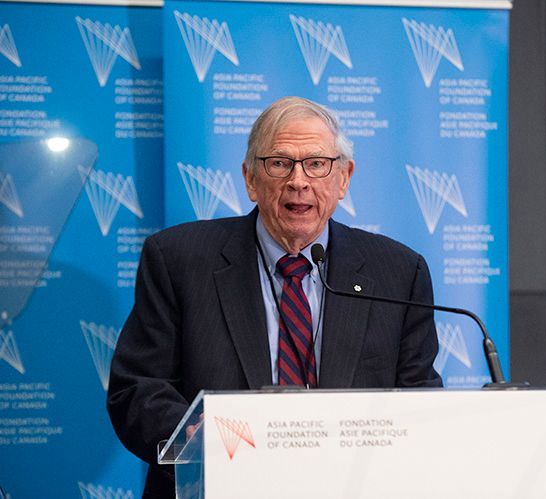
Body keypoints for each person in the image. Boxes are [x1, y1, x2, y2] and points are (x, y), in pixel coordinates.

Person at [107, 96, 442, 497]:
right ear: (250, 179)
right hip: (219, 484)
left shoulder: (398, 272)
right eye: (280, 163)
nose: (298, 181)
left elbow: (420, 400)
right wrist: (190, 435)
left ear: (344, 178)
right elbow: (137, 387)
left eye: (316, 163)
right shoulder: (177, 259)